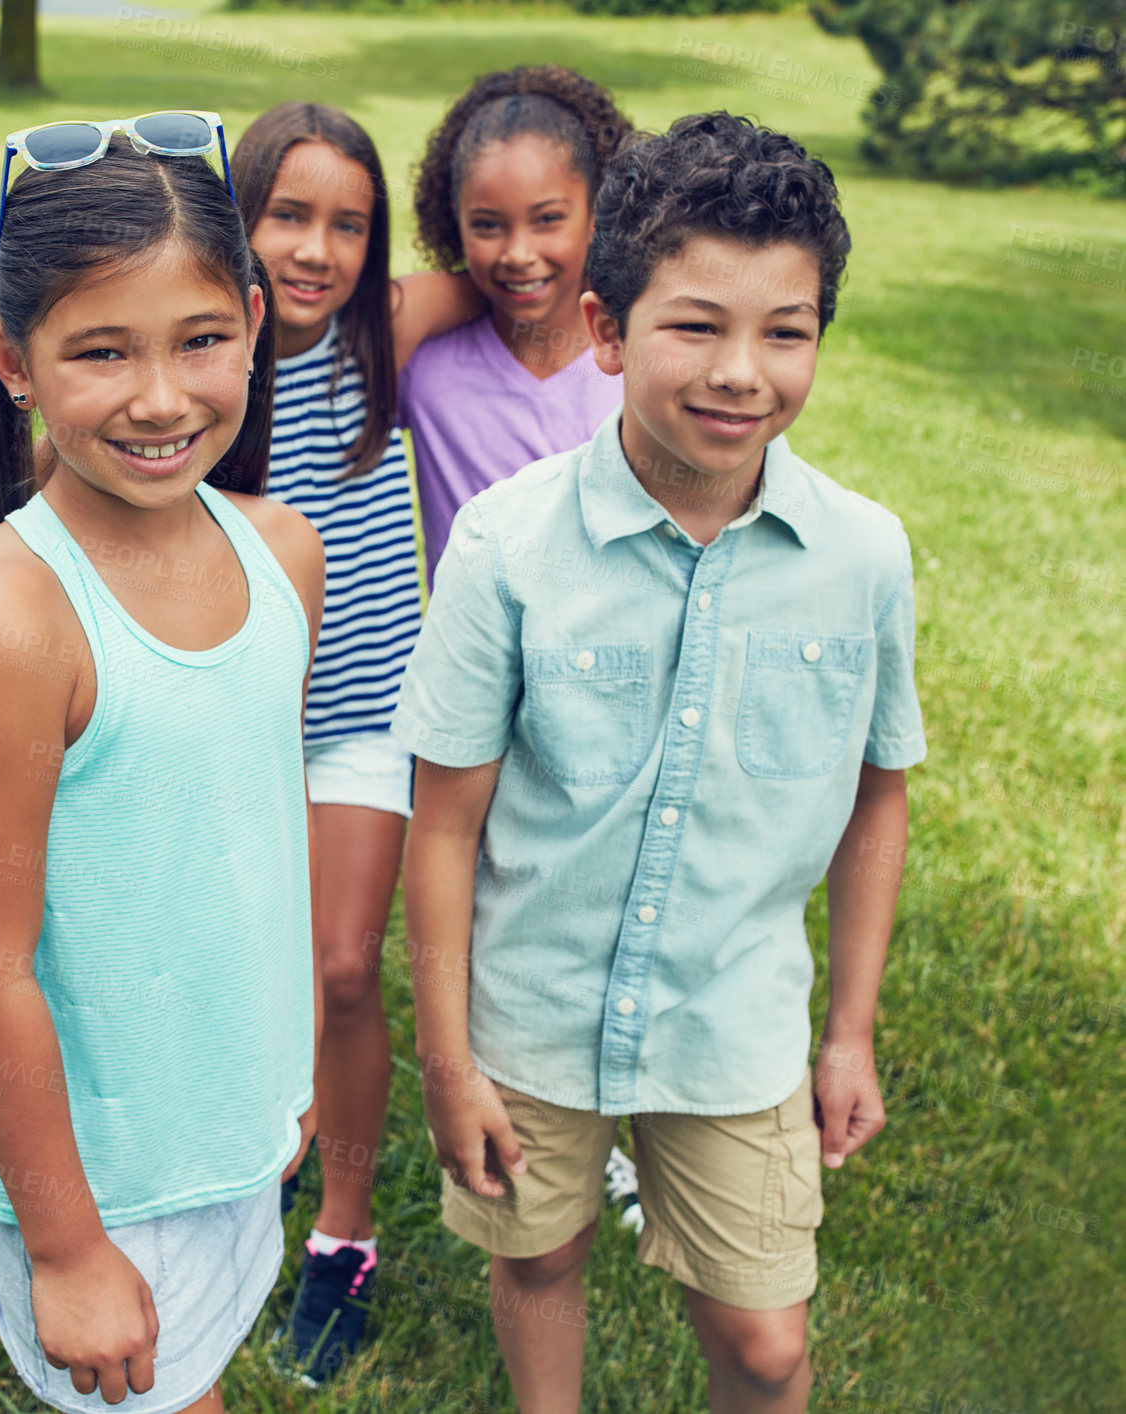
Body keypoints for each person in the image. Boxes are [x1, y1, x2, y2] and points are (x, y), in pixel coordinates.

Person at [393, 112, 927, 1414]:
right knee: (542, 1257)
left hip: (731, 1022)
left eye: (784, 330)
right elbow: (446, 824)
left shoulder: (861, 556)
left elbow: (876, 797)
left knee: (764, 1344)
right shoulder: (503, 550)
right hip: (532, 1007)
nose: (742, 371)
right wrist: (452, 1061)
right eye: (695, 324)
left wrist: (846, 1032)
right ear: (607, 332)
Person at [0, 127, 324, 1414]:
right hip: (101, 1172)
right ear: (10, 361)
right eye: (101, 350)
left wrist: (286, 1072)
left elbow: (255, 832)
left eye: (199, 339)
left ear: (253, 323)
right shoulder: (14, 621)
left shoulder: (281, 554)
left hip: (230, 1125)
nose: (159, 397)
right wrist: (69, 1247)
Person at [230, 102, 482, 1387]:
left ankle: (343, 1237)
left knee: (339, 969)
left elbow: (509, 262)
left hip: (372, 716)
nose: (316, 248)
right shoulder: (205, 350)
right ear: (234, 217)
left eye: (348, 223)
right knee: (244, 965)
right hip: (234, 717)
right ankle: (254, 1155)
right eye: (287, 214)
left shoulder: (386, 328)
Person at [400, 65, 633, 589]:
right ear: (452, 220)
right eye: (487, 225)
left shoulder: (637, 365)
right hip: (471, 665)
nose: (518, 254)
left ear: (598, 214)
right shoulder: (428, 364)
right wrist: (449, 291)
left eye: (548, 218)